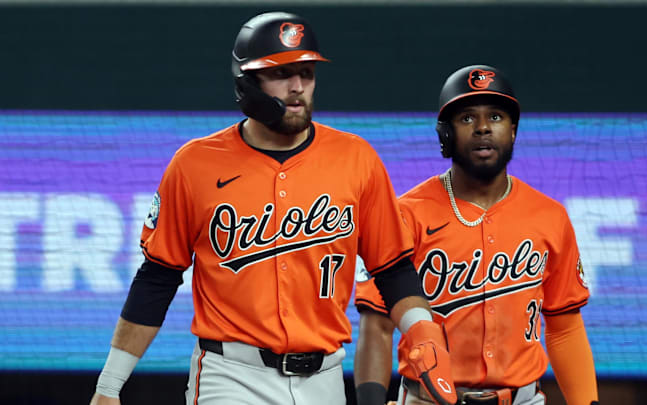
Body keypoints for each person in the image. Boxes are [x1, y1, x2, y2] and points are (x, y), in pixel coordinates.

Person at [89, 11, 456, 405]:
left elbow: (392, 268)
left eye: (307, 73)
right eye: (282, 73)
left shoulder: (356, 159)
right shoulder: (194, 164)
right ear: (247, 84)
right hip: (231, 377)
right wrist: (109, 387)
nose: (298, 86)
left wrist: (423, 331)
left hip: (326, 377)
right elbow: (157, 278)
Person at [354, 64, 599, 405]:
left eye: (496, 117)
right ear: (446, 134)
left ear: (513, 130)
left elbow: (565, 326)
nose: (483, 128)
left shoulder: (550, 216)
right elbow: (377, 326)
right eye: (467, 118)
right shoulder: (404, 215)